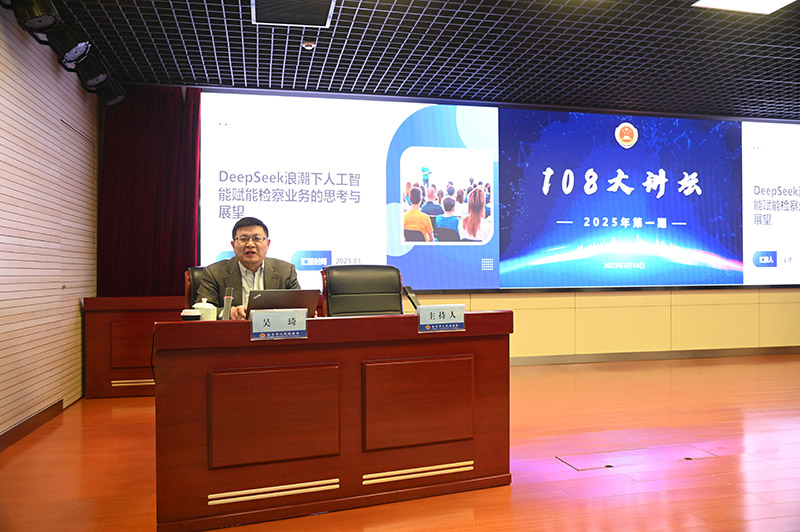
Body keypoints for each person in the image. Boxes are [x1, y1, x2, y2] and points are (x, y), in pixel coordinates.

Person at [196, 216, 299, 319]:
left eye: (257, 239)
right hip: (234, 328)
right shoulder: (214, 273)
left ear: (267, 244)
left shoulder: (286, 271)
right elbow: (201, 310)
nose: (250, 244)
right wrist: (227, 312)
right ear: (233, 245)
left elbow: (299, 308)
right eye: (243, 239)